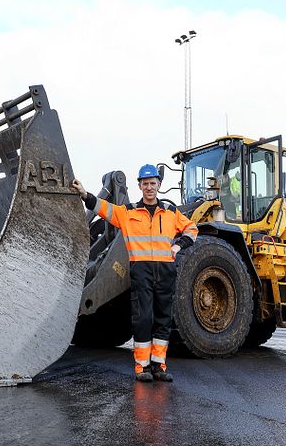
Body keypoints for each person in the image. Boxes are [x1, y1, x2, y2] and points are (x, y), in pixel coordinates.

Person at [72, 164, 198, 382]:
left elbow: (192, 229)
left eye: (153, 183)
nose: (149, 187)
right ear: (140, 186)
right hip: (141, 270)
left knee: (163, 319)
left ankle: (159, 365)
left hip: (165, 270)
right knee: (143, 318)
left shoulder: (170, 213)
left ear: (159, 185)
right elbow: (104, 208)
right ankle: (143, 367)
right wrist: (84, 194)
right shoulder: (127, 212)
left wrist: (177, 247)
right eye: (145, 183)